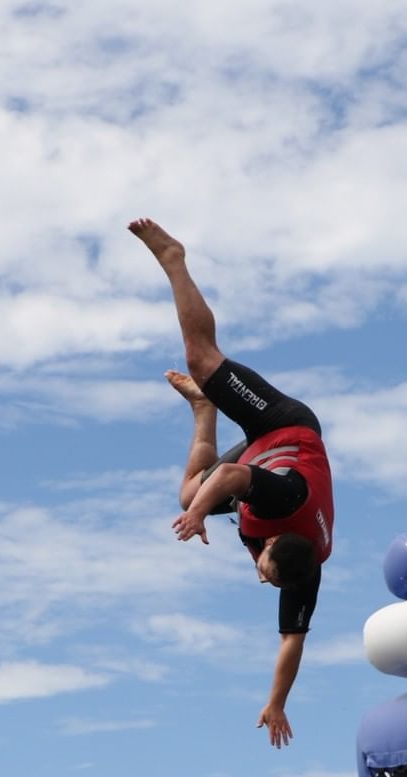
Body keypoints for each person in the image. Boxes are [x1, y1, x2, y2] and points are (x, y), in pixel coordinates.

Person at [128, 218, 335, 749]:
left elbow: (293, 640)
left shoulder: (301, 570)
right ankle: (174, 256)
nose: (261, 578)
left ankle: (203, 409)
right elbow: (229, 475)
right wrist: (199, 516)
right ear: (269, 544)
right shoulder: (282, 502)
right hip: (284, 428)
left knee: (185, 491)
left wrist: (277, 702)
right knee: (201, 358)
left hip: (266, 462)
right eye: (265, 572)